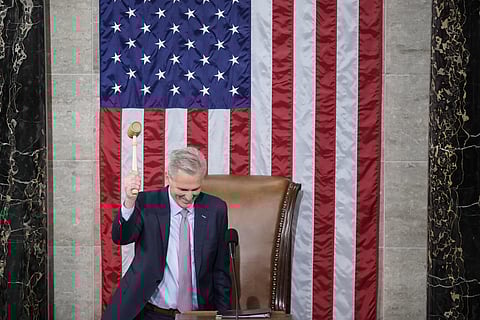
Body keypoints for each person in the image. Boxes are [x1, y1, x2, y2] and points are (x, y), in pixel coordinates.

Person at [101, 147, 231, 320]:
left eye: (195, 189)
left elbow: (220, 270)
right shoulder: (146, 203)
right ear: (167, 177)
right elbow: (121, 237)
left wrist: (225, 315)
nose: (189, 196)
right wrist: (130, 201)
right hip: (148, 312)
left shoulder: (216, 209)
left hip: (197, 314)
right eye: (182, 189)